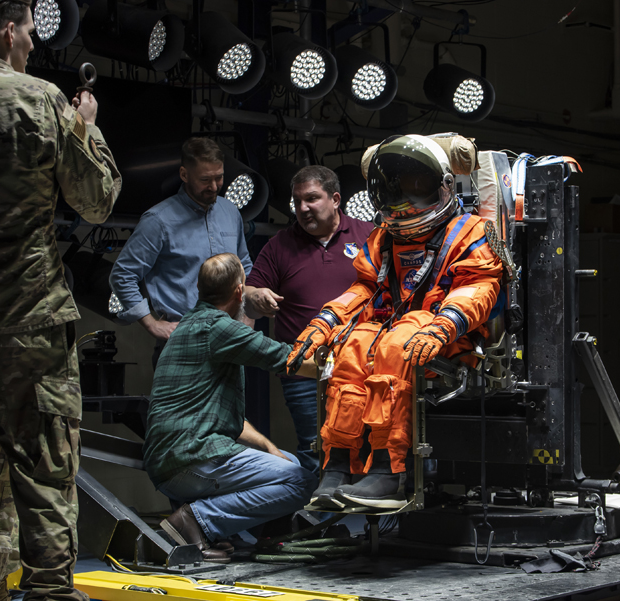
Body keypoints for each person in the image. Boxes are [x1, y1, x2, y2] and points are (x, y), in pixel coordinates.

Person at [0, 0, 121, 598]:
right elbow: (96, 202)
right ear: (8, 30)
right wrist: (86, 126)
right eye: (32, 32)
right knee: (46, 477)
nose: (35, 45)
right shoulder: (41, 101)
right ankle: (47, 591)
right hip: (29, 328)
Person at [288, 134, 503, 509]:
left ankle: (390, 469)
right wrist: (325, 321)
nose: (404, 202)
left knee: (393, 344)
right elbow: (365, 288)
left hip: (447, 336)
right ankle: (339, 465)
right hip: (396, 329)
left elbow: (477, 287)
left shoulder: (469, 232)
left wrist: (444, 325)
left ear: (443, 187)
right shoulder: (383, 238)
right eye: (396, 189)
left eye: (416, 188)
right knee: (351, 345)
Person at [144, 254, 318, 563]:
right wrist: (350, 362)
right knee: (301, 480)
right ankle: (195, 522)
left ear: (198, 288)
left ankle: (272, 536)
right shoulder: (218, 328)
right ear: (240, 292)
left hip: (174, 458)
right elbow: (288, 360)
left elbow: (231, 421)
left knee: (287, 460)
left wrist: (268, 447)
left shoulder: (188, 325)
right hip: (192, 458)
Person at [245, 166, 374, 472]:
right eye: (298, 200)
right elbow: (249, 290)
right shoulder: (280, 245)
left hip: (362, 368)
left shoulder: (368, 235)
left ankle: (370, 517)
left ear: (336, 199)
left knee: (367, 448)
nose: (303, 208)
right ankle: (323, 519)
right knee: (316, 451)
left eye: (312, 199)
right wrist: (256, 295)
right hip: (305, 372)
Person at [109, 137, 253, 365]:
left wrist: (247, 315)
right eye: (205, 180)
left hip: (230, 341)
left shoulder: (231, 212)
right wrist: (151, 323)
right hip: (182, 344)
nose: (215, 187)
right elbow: (123, 274)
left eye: (219, 177)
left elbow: (244, 266)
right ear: (184, 175)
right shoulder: (158, 220)